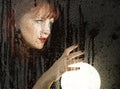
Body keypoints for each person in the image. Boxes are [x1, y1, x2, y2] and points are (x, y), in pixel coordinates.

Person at [15, 0, 84, 89]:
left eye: (50, 22)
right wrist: (48, 77)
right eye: (39, 20)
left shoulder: (39, 59)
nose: (47, 31)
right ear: (16, 21)